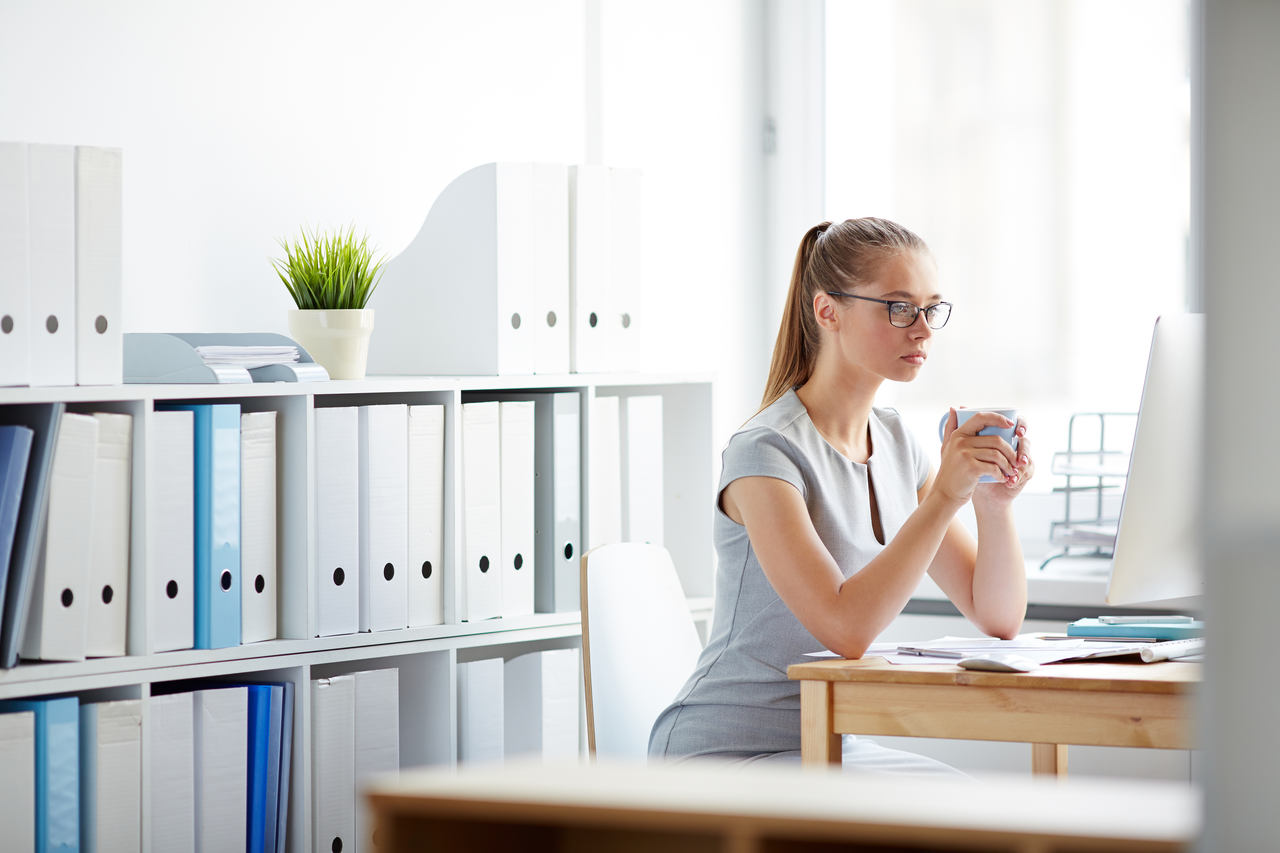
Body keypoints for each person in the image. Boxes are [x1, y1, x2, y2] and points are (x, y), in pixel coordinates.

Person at [648, 217, 1034, 770]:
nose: (922, 329)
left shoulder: (898, 441)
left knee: (974, 812)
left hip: (831, 739)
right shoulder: (765, 452)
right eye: (899, 307)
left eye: (931, 309)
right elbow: (846, 629)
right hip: (729, 745)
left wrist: (991, 506)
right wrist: (944, 497)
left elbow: (997, 616)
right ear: (828, 310)